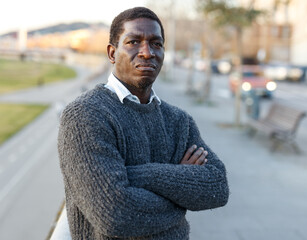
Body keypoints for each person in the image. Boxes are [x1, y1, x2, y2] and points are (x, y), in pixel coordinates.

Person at [58, 6, 229, 240]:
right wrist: (181, 186)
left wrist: (137, 176)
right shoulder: (85, 116)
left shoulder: (179, 121)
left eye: (156, 44)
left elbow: (217, 187)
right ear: (112, 53)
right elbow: (116, 215)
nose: (147, 52)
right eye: (133, 42)